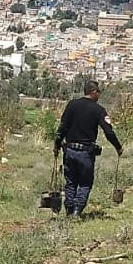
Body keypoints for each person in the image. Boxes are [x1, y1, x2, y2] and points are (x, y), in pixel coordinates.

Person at [53, 80, 123, 217]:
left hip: (70, 151)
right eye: (99, 92)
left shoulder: (72, 105)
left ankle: (68, 211)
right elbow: (108, 132)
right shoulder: (98, 110)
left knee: (71, 182)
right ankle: (77, 211)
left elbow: (62, 128)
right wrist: (118, 147)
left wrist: (56, 145)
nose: (99, 95)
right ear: (94, 92)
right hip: (85, 153)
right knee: (85, 183)